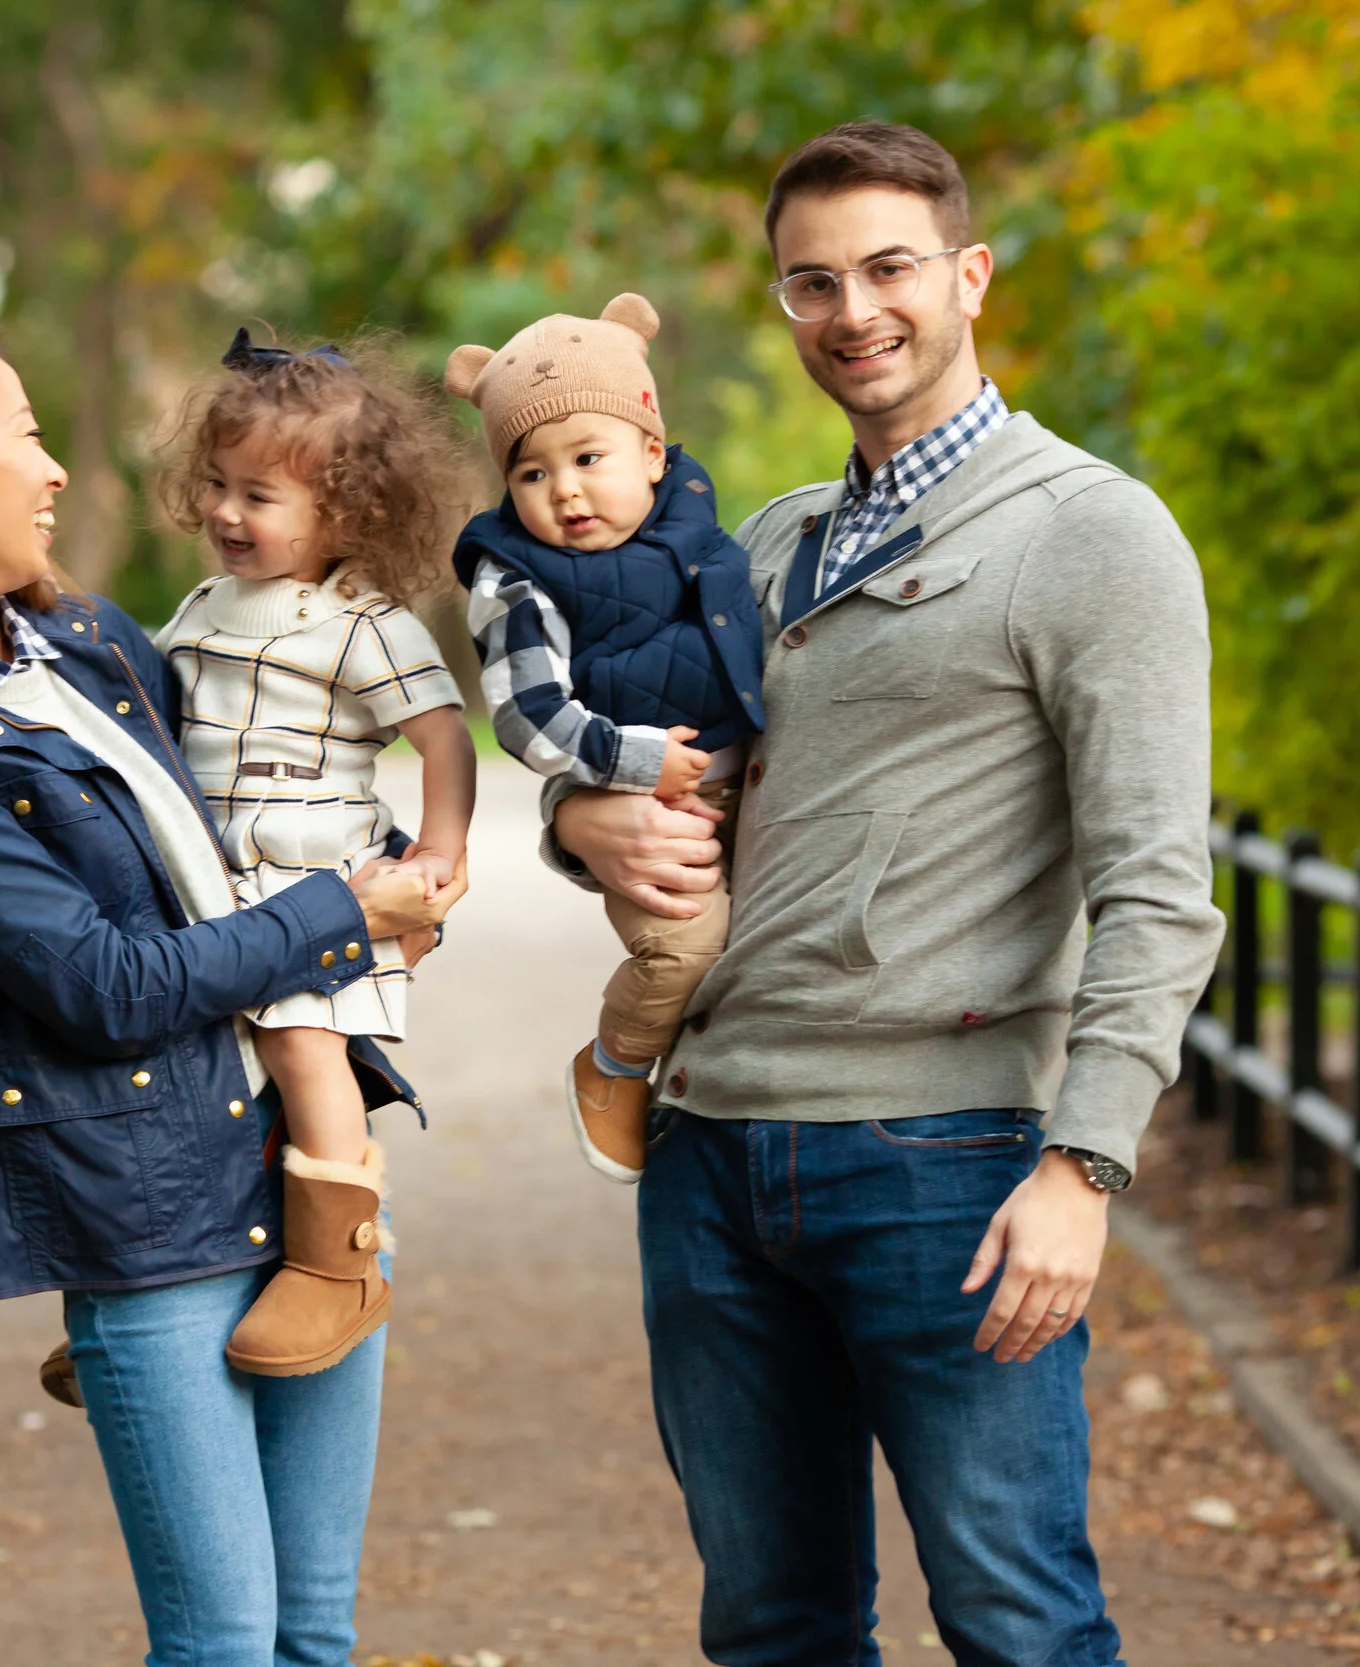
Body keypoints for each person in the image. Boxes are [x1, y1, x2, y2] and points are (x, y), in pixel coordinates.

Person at [545, 123, 1226, 1664]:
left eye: (889, 268)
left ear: (969, 276)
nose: (853, 310)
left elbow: (1159, 886)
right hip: (710, 1152)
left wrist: (1088, 1162)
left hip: (944, 1161)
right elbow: (661, 769)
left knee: (1017, 1618)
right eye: (812, 282)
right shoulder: (762, 543)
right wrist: (577, 815)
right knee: (771, 1623)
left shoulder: (1088, 533)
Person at [0, 314, 464, 1667]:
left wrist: (415, 863)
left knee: (313, 1633)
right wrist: (340, 914)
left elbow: (275, 757)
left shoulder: (82, 643)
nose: (56, 468)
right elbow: (102, 983)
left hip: (301, 1173)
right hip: (147, 1215)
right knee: (226, 1645)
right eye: (23, 433)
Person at [150, 329, 480, 1377]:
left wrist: (439, 848)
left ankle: (338, 1266)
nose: (226, 513)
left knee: (301, 1045)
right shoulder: (202, 606)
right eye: (217, 484)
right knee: (207, 1068)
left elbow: (441, 734)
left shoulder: (362, 625)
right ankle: (173, 1288)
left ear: (343, 514)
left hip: (316, 874)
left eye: (259, 495)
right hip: (210, 881)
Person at [443, 290, 765, 1183]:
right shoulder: (517, 578)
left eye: (588, 457)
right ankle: (615, 1066)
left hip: (758, 783)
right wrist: (630, 765)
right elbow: (525, 712)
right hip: (648, 796)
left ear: (653, 453)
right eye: (530, 474)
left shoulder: (715, 535)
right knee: (684, 946)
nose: (565, 491)